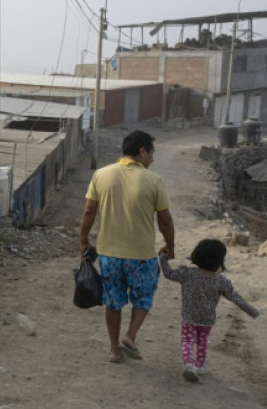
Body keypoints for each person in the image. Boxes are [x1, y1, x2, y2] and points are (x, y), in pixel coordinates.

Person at [79, 130, 176, 363]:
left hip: (109, 254)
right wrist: (170, 246)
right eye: (151, 153)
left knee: (113, 302)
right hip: (141, 255)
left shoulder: (101, 175)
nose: (152, 159)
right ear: (142, 151)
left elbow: (89, 211)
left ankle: (114, 350)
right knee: (143, 298)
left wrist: (83, 240)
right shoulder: (154, 180)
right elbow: (165, 220)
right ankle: (130, 335)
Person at [159, 239, 260, 381]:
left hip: (189, 316)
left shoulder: (187, 273)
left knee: (187, 340)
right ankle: (200, 365)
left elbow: (168, 273)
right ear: (219, 261)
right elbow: (235, 298)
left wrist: (163, 258)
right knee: (202, 341)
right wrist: (252, 311)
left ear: (196, 255)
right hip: (207, 319)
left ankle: (189, 364)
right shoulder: (221, 281)